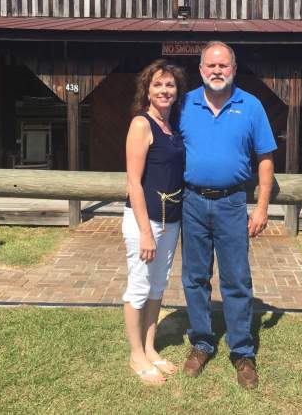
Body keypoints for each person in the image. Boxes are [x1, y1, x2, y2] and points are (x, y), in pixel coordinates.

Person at [180, 41, 277, 389]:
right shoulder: (184, 104)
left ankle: (242, 352)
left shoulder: (250, 106)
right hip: (191, 202)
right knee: (194, 277)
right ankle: (202, 343)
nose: (217, 71)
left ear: (234, 69)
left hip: (232, 204)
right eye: (210, 65)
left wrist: (262, 206)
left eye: (224, 65)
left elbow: (265, 158)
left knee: (236, 279)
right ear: (201, 69)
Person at [122, 59, 186, 385]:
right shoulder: (141, 125)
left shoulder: (172, 129)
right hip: (144, 222)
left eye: (170, 85)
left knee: (158, 287)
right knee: (138, 287)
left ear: (177, 92)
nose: (164, 90)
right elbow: (134, 182)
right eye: (158, 84)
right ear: (147, 89)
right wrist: (146, 232)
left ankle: (150, 347)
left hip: (171, 221)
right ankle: (136, 355)